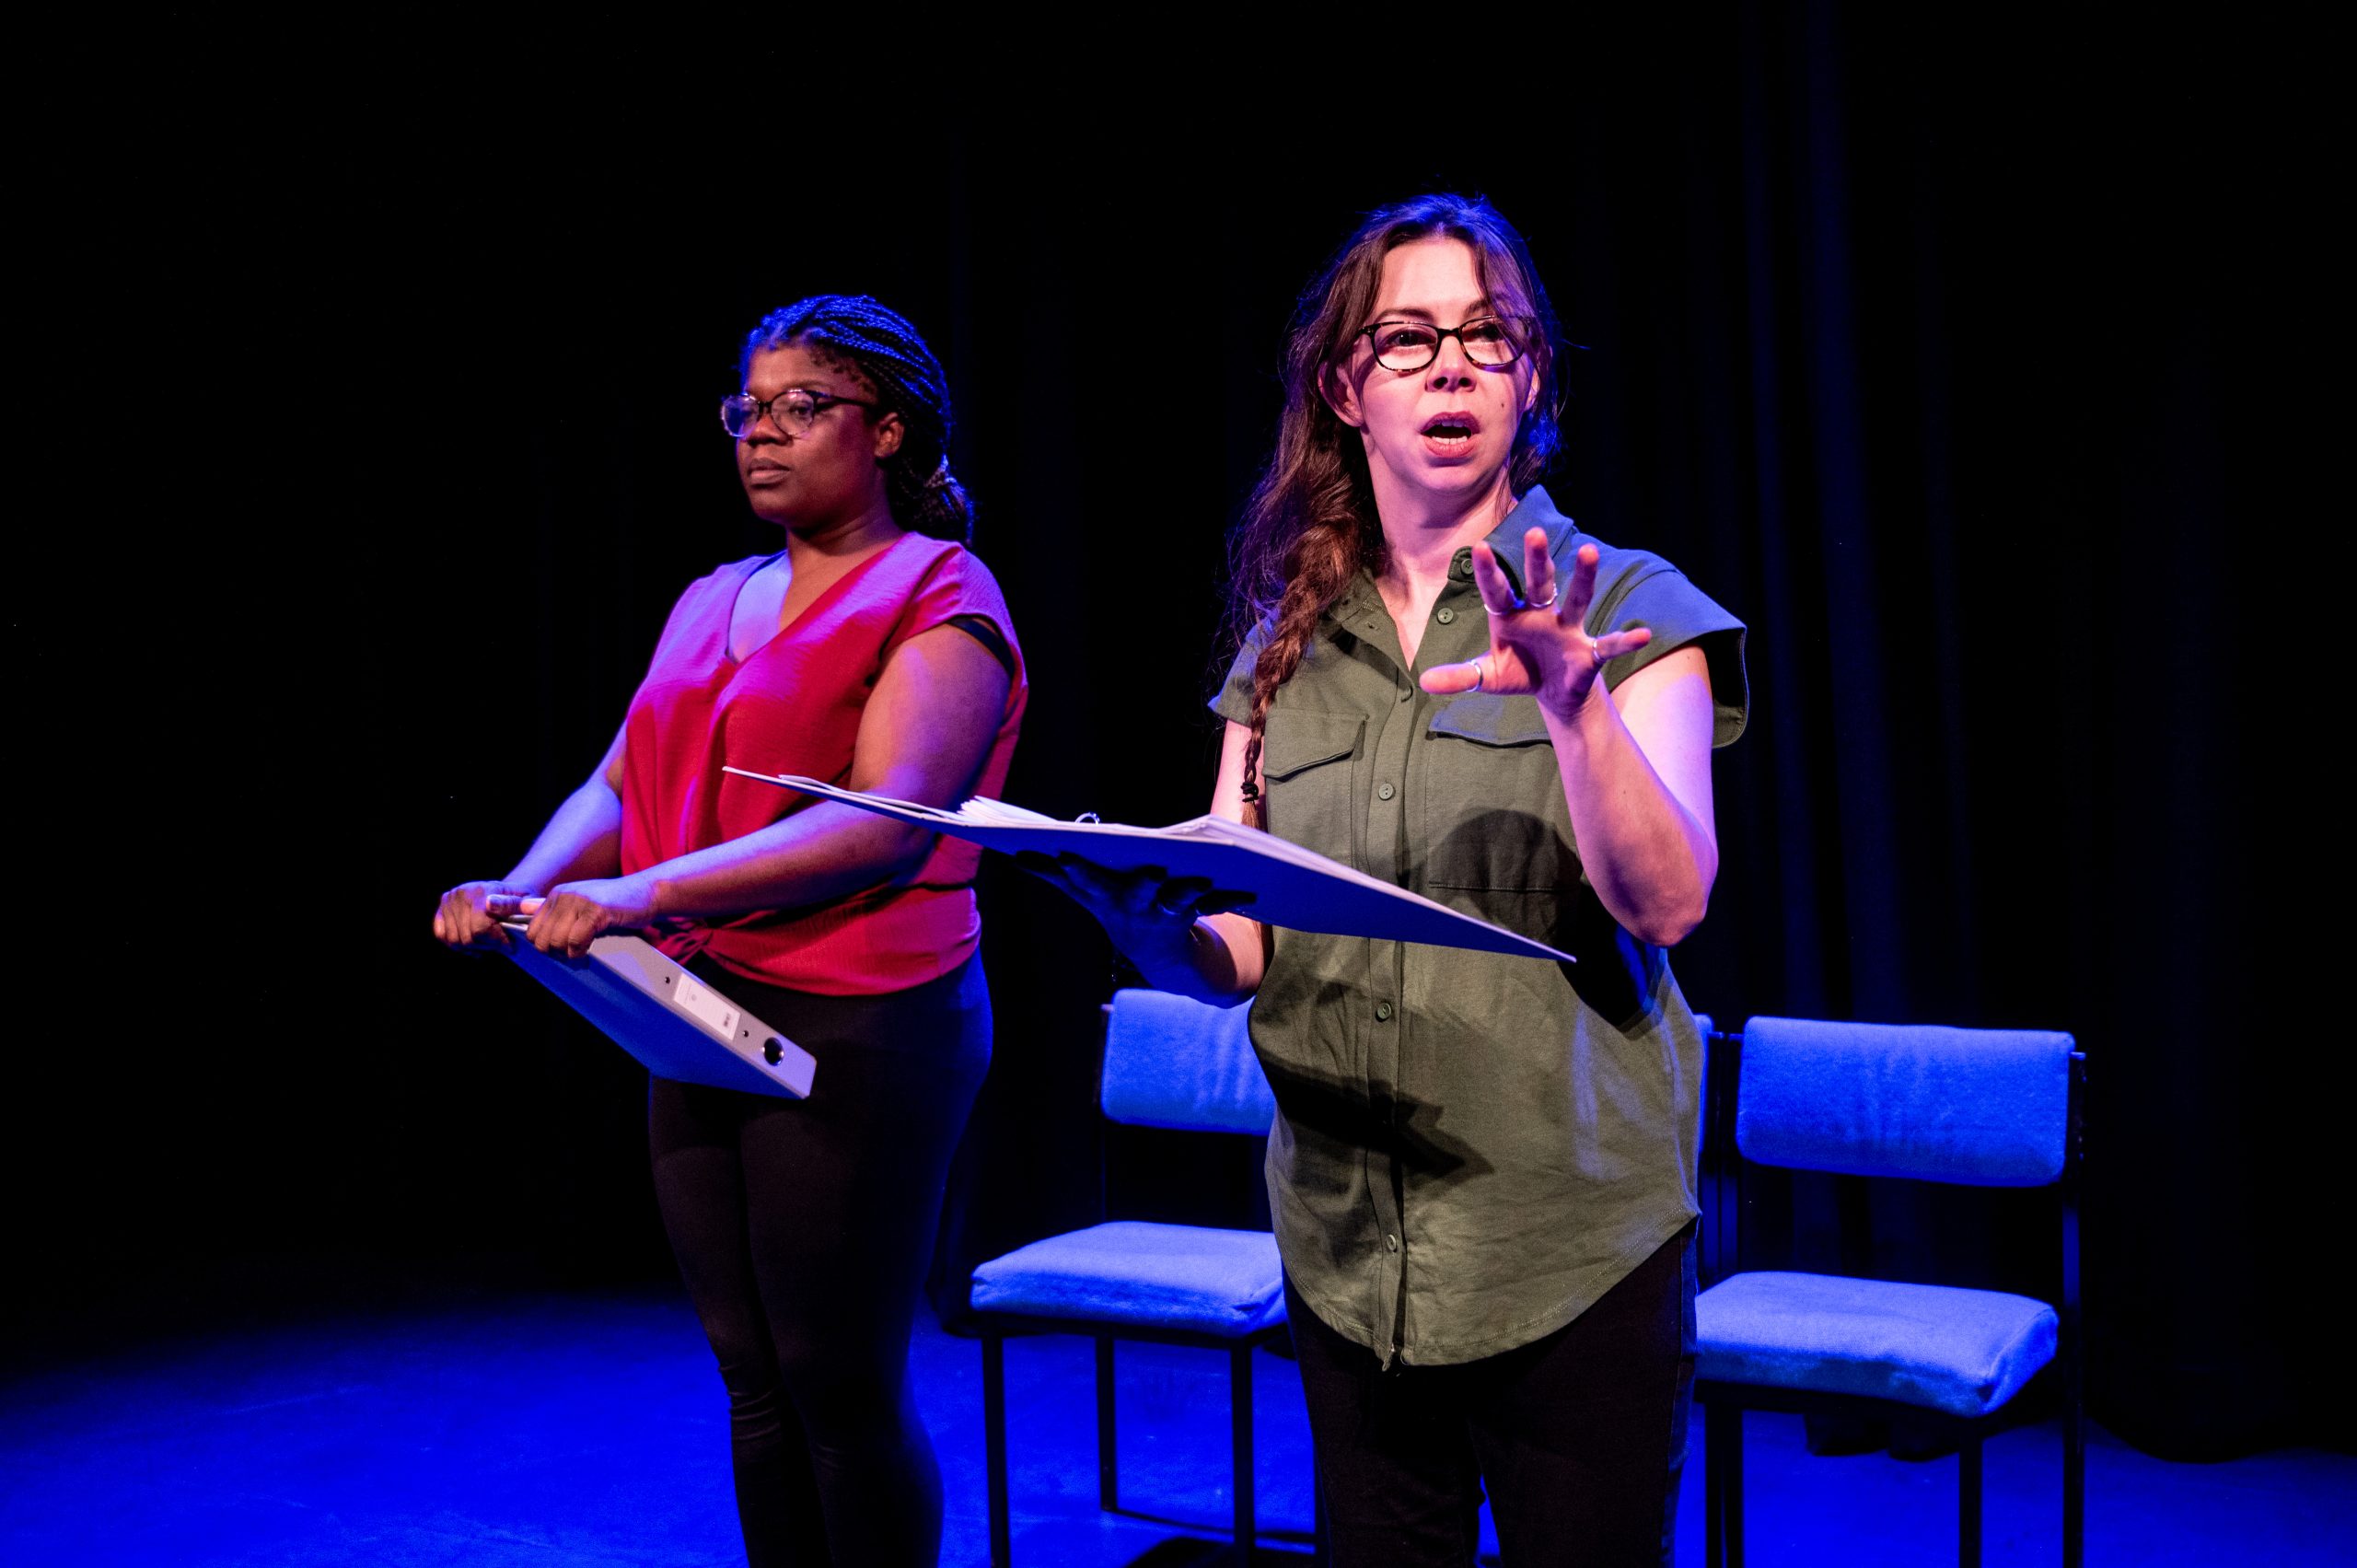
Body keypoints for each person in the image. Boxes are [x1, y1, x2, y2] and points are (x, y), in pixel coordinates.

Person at [1029, 196, 1746, 1564]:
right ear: (1344, 387)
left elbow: (1669, 905)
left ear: (1531, 376)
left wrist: (1571, 706)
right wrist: (1154, 929)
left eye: (1488, 334)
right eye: (1407, 338)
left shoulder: (1628, 607)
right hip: (1348, 1250)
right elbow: (1243, 942)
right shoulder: (1286, 645)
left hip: (1563, 1242)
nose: (1451, 365)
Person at [434, 296, 1025, 1567]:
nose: (761, 434)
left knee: (836, 1378)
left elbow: (885, 824)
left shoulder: (941, 593)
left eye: (800, 407)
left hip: (864, 1019)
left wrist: (645, 896)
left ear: (886, 432)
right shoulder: (714, 597)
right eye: (746, 410)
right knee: (753, 1373)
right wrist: (520, 887)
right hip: (695, 1009)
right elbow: (613, 786)